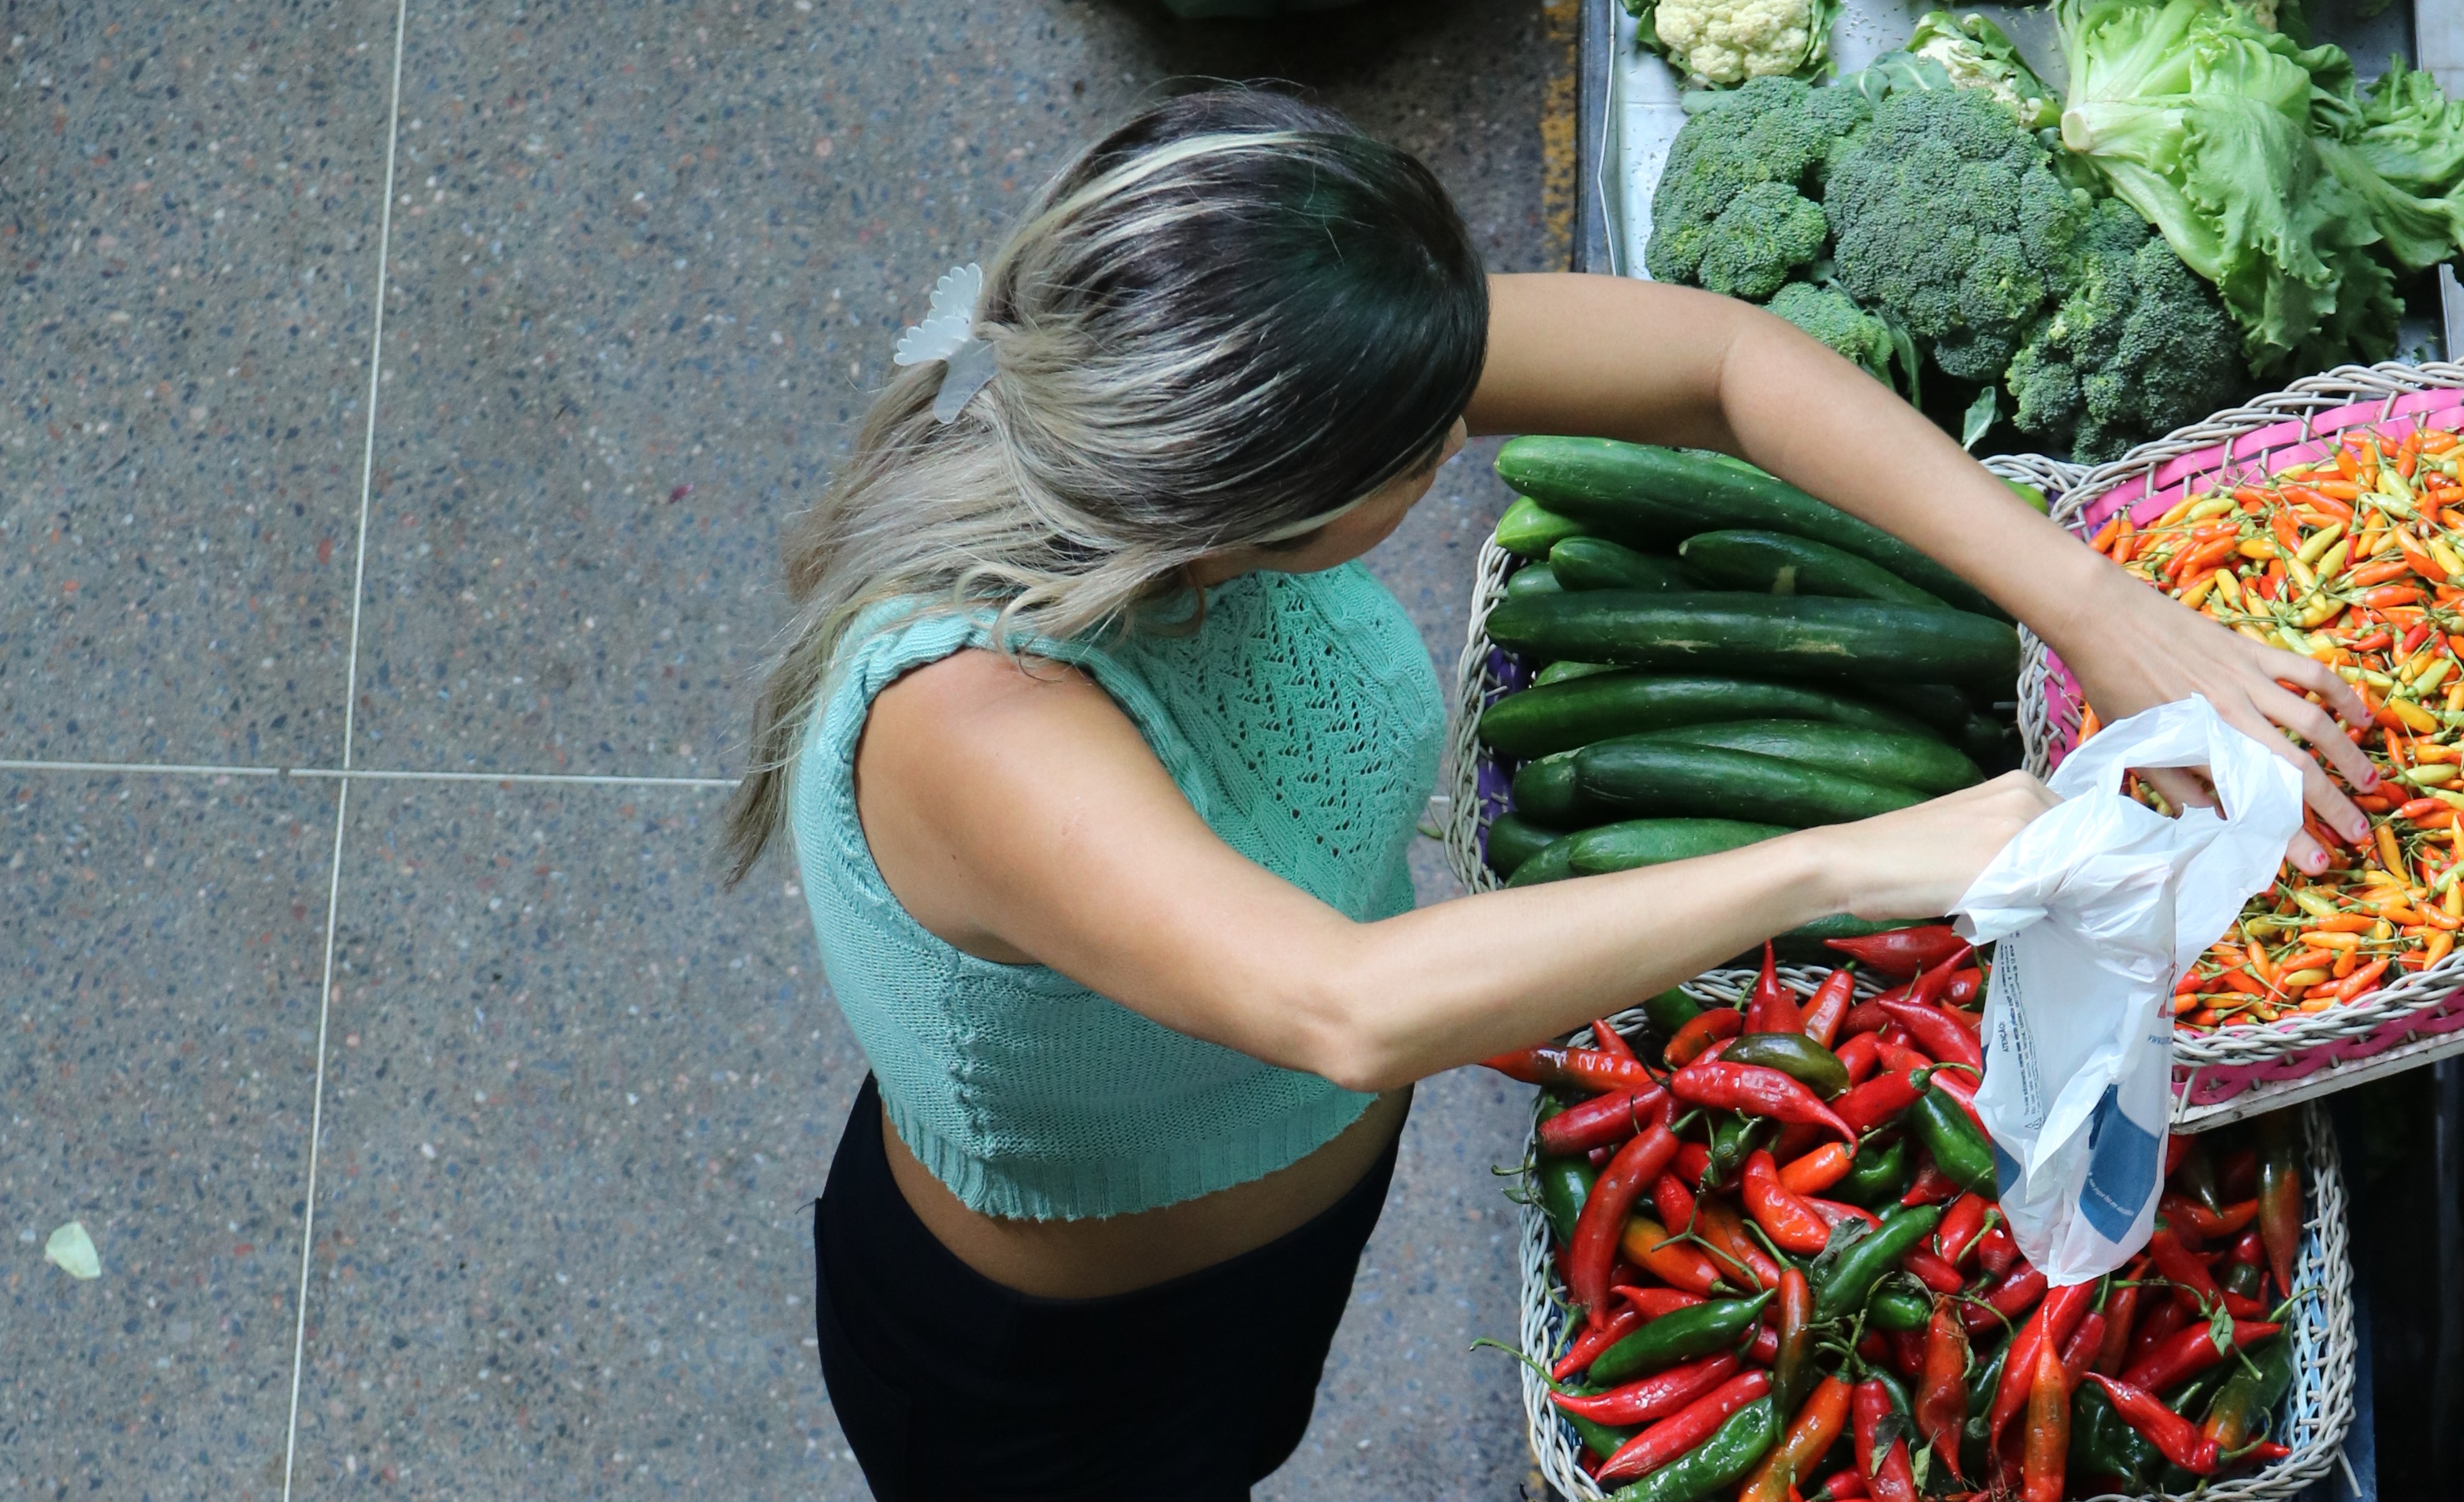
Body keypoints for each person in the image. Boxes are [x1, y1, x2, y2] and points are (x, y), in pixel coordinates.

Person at [721, 88, 2378, 1501]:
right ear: (1254, 500)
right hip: (1068, 1365)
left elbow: (1720, 365)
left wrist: (2086, 602)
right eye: (1429, 440)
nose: (1468, 425)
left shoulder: (1211, 396)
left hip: (1276, 1227)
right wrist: (1861, 858)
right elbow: (1340, 1004)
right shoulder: (973, 727)